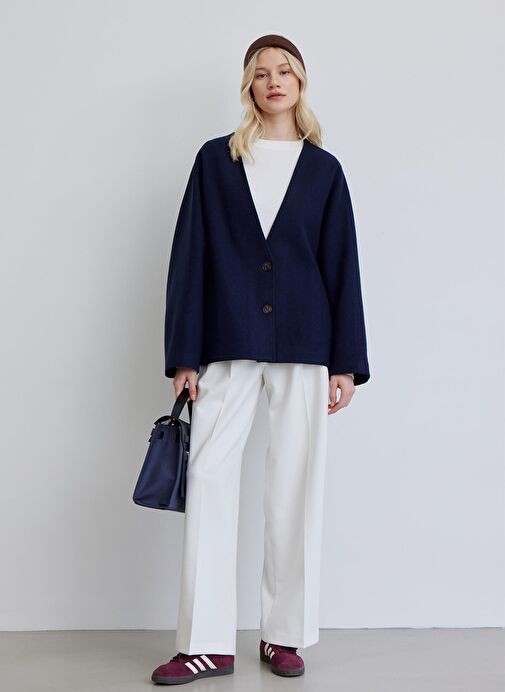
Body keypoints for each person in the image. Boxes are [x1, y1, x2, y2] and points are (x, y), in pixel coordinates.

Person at [152, 34, 370, 685]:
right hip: (227, 339)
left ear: (300, 83)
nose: (273, 81)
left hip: (306, 341)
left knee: (295, 486)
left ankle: (283, 634)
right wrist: (183, 355)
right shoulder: (215, 161)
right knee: (210, 477)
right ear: (248, 85)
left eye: (285, 71)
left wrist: (345, 362)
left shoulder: (324, 170)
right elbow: (189, 258)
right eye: (261, 72)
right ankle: (206, 644)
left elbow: (342, 266)